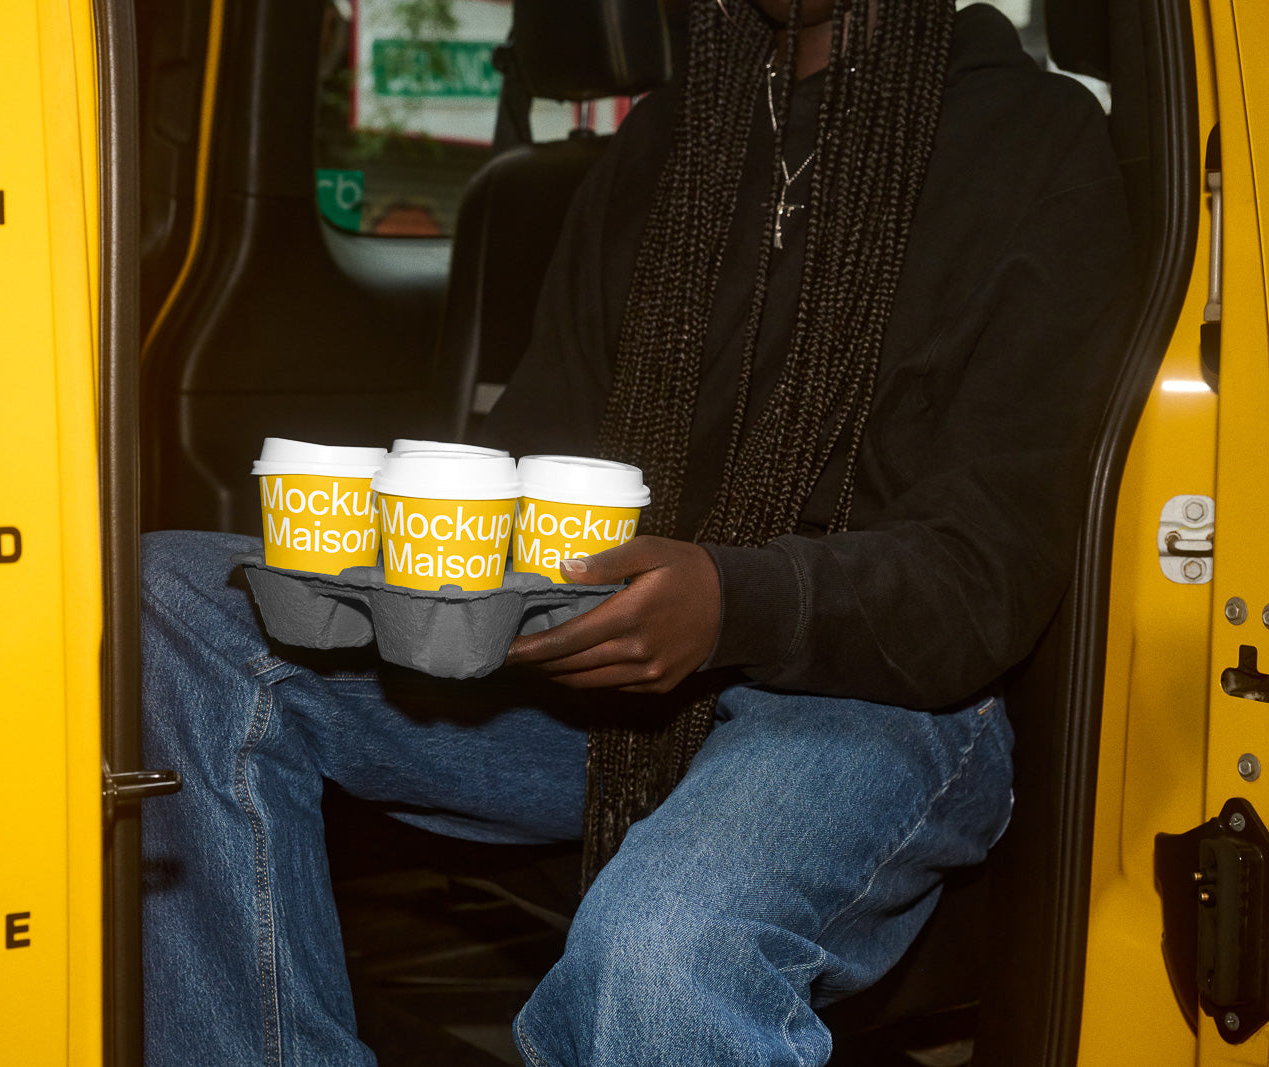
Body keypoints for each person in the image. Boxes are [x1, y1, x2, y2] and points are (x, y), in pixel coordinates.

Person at [139, 0, 1132, 1063]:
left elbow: (986, 572)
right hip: (607, 686)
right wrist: (435, 568)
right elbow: (542, 448)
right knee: (172, 596)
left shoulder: (1037, 142)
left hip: (878, 697)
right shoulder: (667, 138)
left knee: (661, 950)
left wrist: (732, 603)